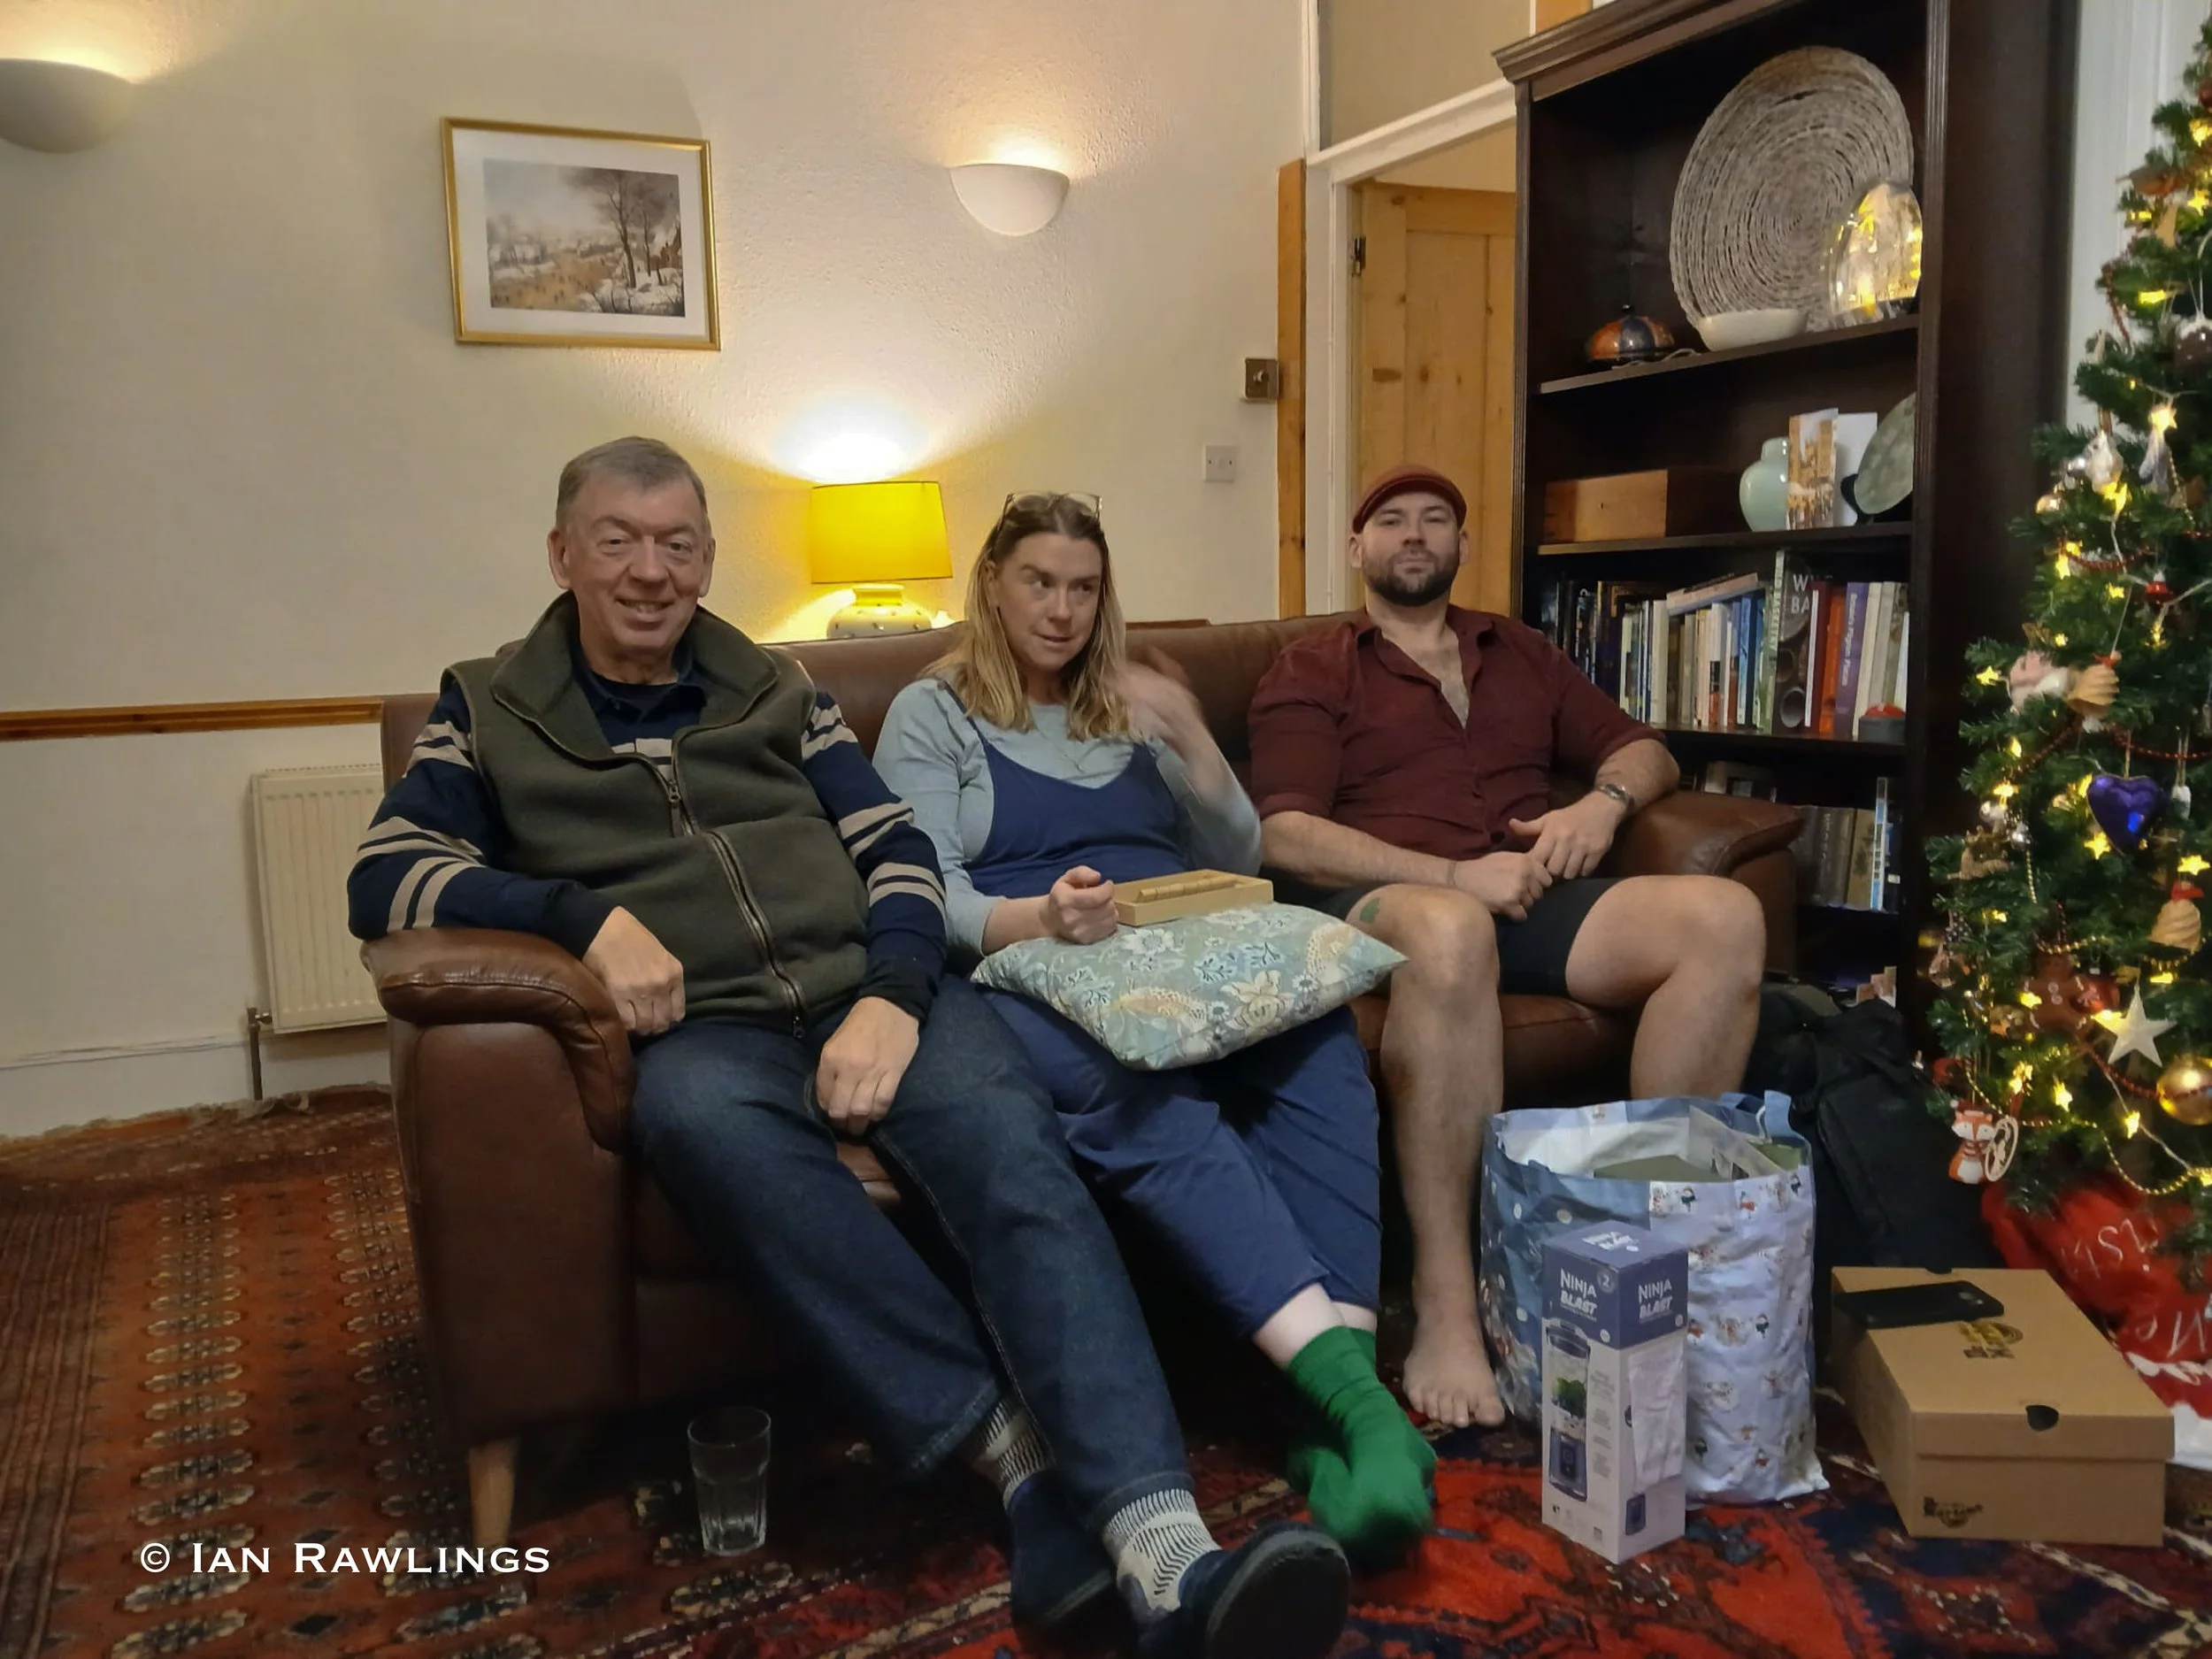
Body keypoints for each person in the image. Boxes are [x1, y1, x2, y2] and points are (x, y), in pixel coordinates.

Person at [348, 439, 1352, 1659]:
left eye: (677, 544)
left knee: (1016, 1157)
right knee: (705, 1129)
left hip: (868, 990)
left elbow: (897, 849)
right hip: (704, 1028)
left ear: (707, 557)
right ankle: (1015, 1461)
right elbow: (385, 874)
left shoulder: (777, 686)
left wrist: (891, 994)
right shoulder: (487, 706)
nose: (651, 572)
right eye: (619, 542)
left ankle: (1171, 1556)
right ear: (563, 554)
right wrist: (583, 920)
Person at [873, 491, 1433, 1566]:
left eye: (1084, 589)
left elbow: (1236, 851)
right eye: (1039, 582)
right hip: (1038, 963)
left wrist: (1192, 739)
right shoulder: (932, 712)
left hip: (1189, 944)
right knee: (1138, 1093)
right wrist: (1042, 918)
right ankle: (1366, 1417)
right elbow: (922, 890)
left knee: (1320, 1046)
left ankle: (1328, 1415)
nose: (1062, 610)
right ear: (992, 583)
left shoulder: (1127, 701)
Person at [1248, 464, 1766, 1431]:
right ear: (1356, 548)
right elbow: (1284, 834)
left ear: (1462, 544)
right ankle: (1448, 1305)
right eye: (1390, 521)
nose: (1413, 535)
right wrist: (1452, 876)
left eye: (1434, 520)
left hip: (1528, 899)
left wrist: (1602, 806)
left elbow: (1645, 748)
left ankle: (1641, 1254)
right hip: (1379, 905)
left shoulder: (1518, 649)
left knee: (1725, 918)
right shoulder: (1316, 667)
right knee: (1450, 931)